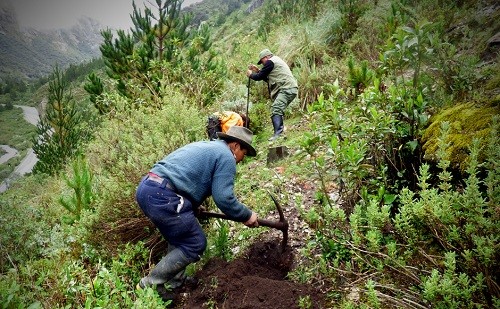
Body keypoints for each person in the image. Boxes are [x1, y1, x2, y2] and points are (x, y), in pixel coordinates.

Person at [135, 126, 259, 302]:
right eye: (244, 154)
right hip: (163, 195)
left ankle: (175, 282)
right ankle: (149, 283)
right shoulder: (226, 156)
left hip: (149, 188)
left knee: (179, 237)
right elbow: (224, 199)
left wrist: (191, 206)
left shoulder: (210, 147)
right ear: (236, 146)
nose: (242, 159)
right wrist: (246, 215)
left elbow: (185, 177)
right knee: (195, 243)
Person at [246, 48, 298, 141]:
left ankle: (278, 134)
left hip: (286, 88)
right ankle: (279, 132)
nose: (262, 64)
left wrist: (251, 75)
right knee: (277, 108)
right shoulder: (275, 61)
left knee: (276, 108)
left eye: (262, 61)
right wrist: (258, 70)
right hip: (290, 88)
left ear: (266, 57)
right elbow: (267, 78)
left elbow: (259, 77)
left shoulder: (270, 62)